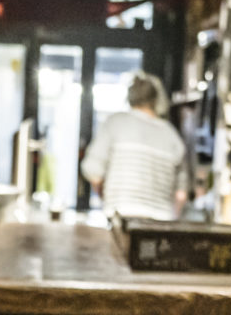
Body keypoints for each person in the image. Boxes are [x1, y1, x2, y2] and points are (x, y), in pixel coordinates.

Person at [80, 73, 189, 221]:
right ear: (157, 99)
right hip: (160, 221)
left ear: (130, 97)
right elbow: (181, 194)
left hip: (121, 215)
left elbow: (94, 172)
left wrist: (104, 197)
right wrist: (173, 219)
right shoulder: (172, 135)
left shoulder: (115, 123)